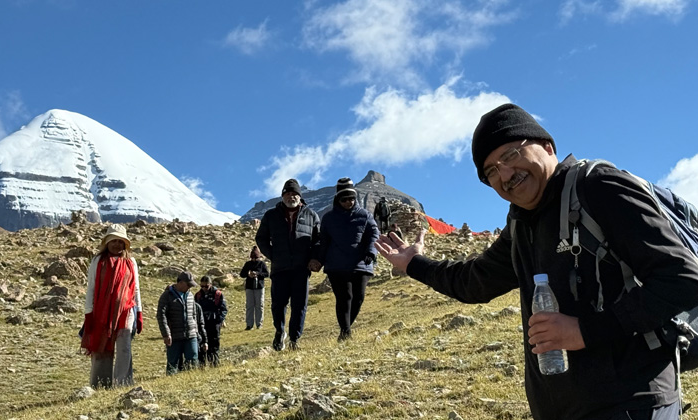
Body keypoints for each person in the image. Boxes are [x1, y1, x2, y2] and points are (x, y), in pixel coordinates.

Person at [375, 103, 698, 420]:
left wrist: (584, 331)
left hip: (633, 402)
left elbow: (683, 279)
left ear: (546, 146)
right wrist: (413, 264)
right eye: (490, 171)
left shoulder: (598, 187)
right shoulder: (521, 224)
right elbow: (474, 281)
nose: (504, 174)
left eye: (510, 155)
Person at [255, 178, 321, 351]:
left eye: (294, 194)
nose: (291, 196)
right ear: (283, 195)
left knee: (299, 305)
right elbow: (261, 238)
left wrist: (314, 258)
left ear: (300, 196)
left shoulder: (311, 215)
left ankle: (294, 339)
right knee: (278, 304)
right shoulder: (271, 215)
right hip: (280, 269)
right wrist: (272, 255)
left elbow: (319, 241)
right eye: (288, 193)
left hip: (301, 269)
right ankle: (279, 331)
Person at [81, 224, 143, 388]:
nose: (117, 245)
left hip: (126, 311)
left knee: (124, 348)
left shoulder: (131, 262)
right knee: (101, 347)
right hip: (101, 311)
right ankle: (101, 384)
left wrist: (139, 312)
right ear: (107, 242)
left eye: (120, 241)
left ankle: (123, 383)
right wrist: (89, 313)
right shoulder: (98, 261)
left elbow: (135, 288)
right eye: (113, 241)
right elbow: (91, 288)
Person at [317, 177, 379, 341]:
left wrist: (371, 253)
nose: (348, 202)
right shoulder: (328, 218)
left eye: (351, 198)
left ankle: (346, 328)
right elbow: (323, 242)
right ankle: (346, 332)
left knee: (358, 298)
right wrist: (318, 260)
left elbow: (374, 235)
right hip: (336, 266)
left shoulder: (365, 215)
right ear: (338, 199)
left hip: (361, 263)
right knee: (345, 297)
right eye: (344, 199)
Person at [156, 271, 208, 374]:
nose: (189, 287)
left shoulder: (190, 296)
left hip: (191, 335)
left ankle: (191, 381)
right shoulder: (167, 295)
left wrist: (196, 332)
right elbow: (161, 315)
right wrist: (166, 334)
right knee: (173, 363)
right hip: (174, 336)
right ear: (180, 283)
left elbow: (194, 315)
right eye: (188, 285)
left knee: (193, 360)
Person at [195, 275, 227, 367]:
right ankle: (201, 366)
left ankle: (214, 364)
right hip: (202, 324)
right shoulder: (198, 295)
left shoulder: (218, 294)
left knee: (214, 346)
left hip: (214, 324)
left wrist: (218, 320)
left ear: (211, 284)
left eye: (206, 286)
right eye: (202, 286)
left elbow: (223, 309)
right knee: (201, 345)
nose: (204, 288)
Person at [239, 246, 270, 330]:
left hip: (259, 287)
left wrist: (258, 274)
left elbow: (267, 274)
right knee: (249, 306)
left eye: (255, 258)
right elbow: (241, 274)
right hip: (249, 287)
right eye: (252, 258)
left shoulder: (261, 264)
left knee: (259, 305)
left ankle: (259, 324)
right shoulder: (248, 264)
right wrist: (248, 274)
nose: (253, 259)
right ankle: (249, 324)